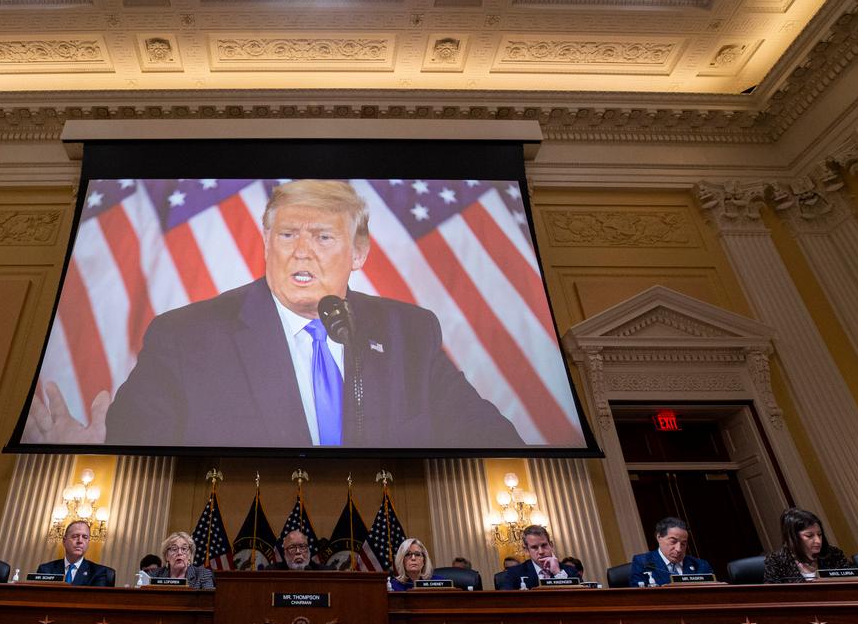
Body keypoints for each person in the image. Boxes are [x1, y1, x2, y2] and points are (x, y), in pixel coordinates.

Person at [27, 179, 523, 449]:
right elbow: (135, 443)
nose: (300, 253)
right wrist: (94, 453)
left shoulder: (408, 332)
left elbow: (494, 439)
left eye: (323, 237)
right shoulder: (185, 336)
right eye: (287, 235)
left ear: (359, 252)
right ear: (266, 242)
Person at [763, 508, 851, 583]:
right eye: (809, 536)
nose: (818, 541)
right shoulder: (777, 561)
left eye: (819, 534)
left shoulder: (833, 554)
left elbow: (853, 582)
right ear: (792, 537)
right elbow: (773, 597)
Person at [628, 516, 714, 586]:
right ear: (659, 538)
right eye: (673, 542)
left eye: (683, 544)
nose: (678, 549)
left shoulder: (701, 566)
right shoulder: (643, 562)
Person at [495, 525, 577, 589]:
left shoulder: (570, 571)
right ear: (526, 550)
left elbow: (578, 599)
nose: (541, 552)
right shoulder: (514, 573)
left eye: (544, 545)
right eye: (534, 547)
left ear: (551, 545)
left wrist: (558, 573)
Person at [35, 520, 112, 586]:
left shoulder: (99, 573)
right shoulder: (46, 570)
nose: (80, 541)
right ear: (64, 541)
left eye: (85, 537)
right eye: (75, 536)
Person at [149, 531, 215, 589]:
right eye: (174, 549)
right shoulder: (154, 575)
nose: (179, 553)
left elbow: (208, 601)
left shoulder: (203, 575)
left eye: (184, 548)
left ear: (190, 555)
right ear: (166, 556)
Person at [263, 530, 328, 570]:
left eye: (302, 546)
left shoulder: (324, 572)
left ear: (309, 552)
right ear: (284, 554)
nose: (298, 552)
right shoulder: (272, 572)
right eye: (292, 547)